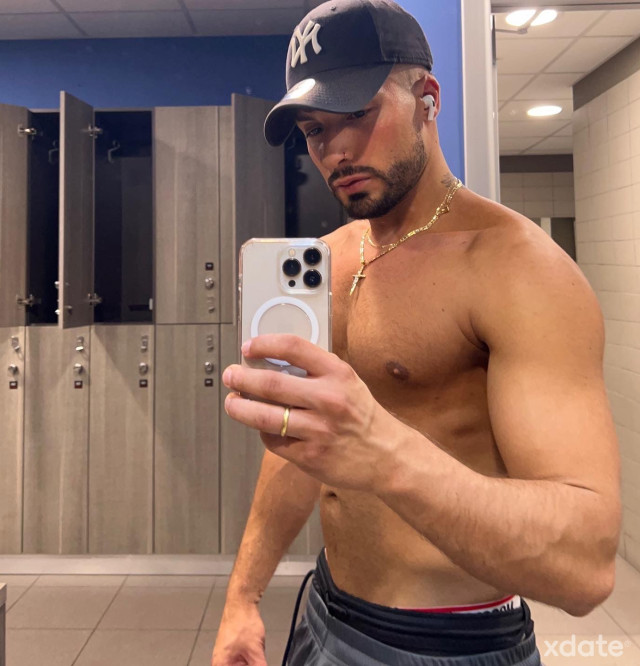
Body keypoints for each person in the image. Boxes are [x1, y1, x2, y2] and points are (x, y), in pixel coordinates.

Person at [212, 1, 621, 664]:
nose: (335, 150)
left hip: (449, 642)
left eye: (357, 114)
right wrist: (243, 596)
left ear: (427, 96)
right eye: (315, 130)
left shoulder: (517, 269)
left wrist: (382, 450)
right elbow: (297, 448)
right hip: (324, 608)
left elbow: (585, 565)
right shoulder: (331, 256)